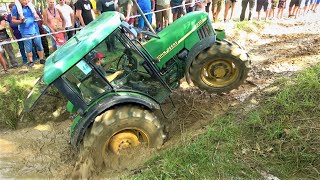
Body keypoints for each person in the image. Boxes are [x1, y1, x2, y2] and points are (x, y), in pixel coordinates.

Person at [11, 0, 45, 66]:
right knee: (28, 48)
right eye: (24, 0)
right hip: (25, 31)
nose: (26, 1)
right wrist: (21, 21)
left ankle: (41, 59)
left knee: (39, 45)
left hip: (35, 29)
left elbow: (36, 15)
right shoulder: (15, 7)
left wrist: (37, 17)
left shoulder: (30, 6)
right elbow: (13, 20)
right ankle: (31, 62)